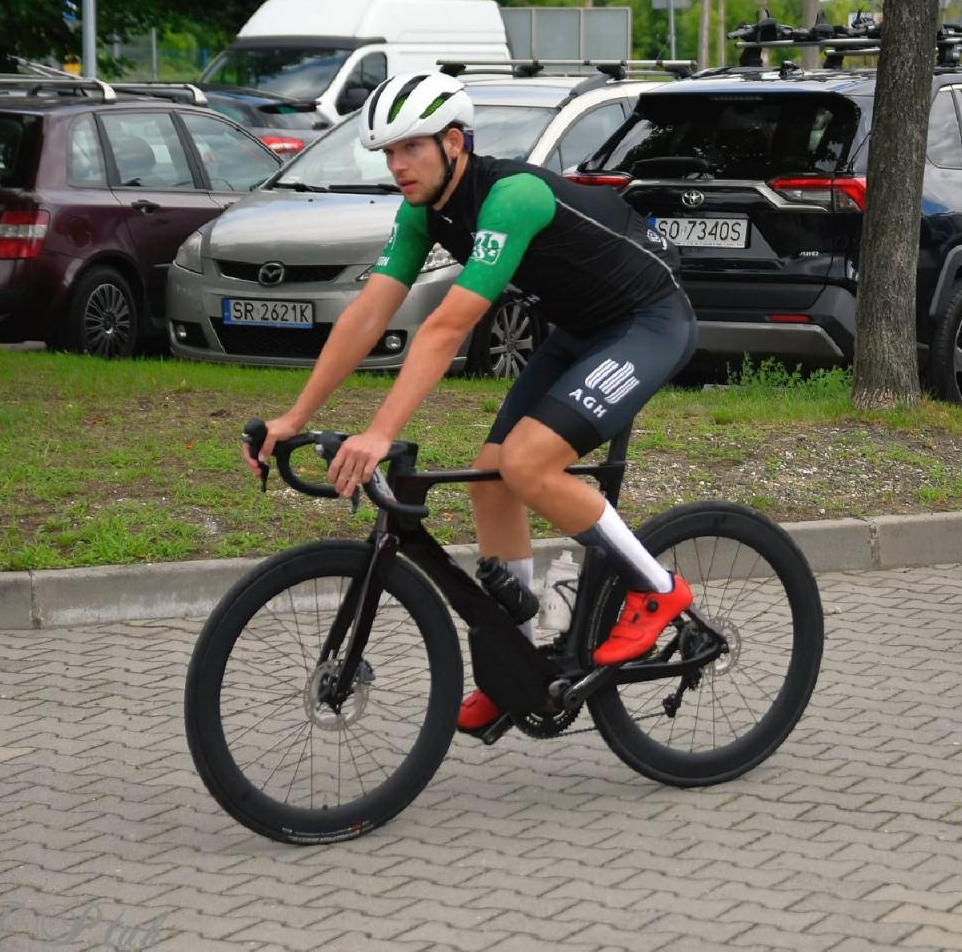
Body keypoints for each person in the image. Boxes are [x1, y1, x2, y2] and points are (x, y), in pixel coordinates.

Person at [246, 72, 699, 733]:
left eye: (411, 148)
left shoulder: (512, 197)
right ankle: (521, 668)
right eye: (388, 152)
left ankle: (656, 589)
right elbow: (369, 312)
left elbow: (447, 328)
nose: (397, 165)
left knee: (528, 463)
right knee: (492, 481)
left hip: (648, 321)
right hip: (579, 331)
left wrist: (379, 432)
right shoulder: (421, 212)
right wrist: (295, 416)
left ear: (454, 143)